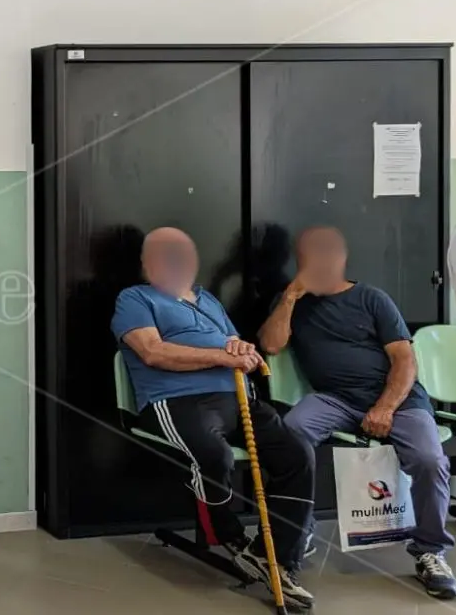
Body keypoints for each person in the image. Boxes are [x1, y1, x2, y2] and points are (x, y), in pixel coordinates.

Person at [112, 227, 315, 609]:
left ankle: (275, 557)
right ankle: (230, 534)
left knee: (297, 454)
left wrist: (243, 351)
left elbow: (236, 344)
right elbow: (153, 352)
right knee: (214, 456)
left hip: (239, 398)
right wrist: (222, 356)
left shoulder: (207, 300)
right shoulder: (135, 298)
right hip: (177, 400)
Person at [260, 226, 456, 599]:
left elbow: (404, 360)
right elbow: (271, 345)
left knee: (430, 460)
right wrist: (289, 297)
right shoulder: (292, 302)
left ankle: (430, 551)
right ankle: (296, 532)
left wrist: (385, 407)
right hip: (334, 398)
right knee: (289, 435)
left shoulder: (371, 298)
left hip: (398, 399)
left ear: (340, 260)